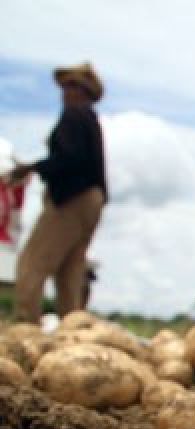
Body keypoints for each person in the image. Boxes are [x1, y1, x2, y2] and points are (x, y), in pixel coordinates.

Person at [6, 63, 107, 323]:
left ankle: (25, 330)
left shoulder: (74, 115)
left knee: (32, 263)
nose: (64, 93)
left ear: (80, 91)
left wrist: (31, 167)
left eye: (69, 87)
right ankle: (71, 331)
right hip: (92, 200)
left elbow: (69, 158)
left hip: (72, 199)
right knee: (70, 271)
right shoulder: (90, 118)